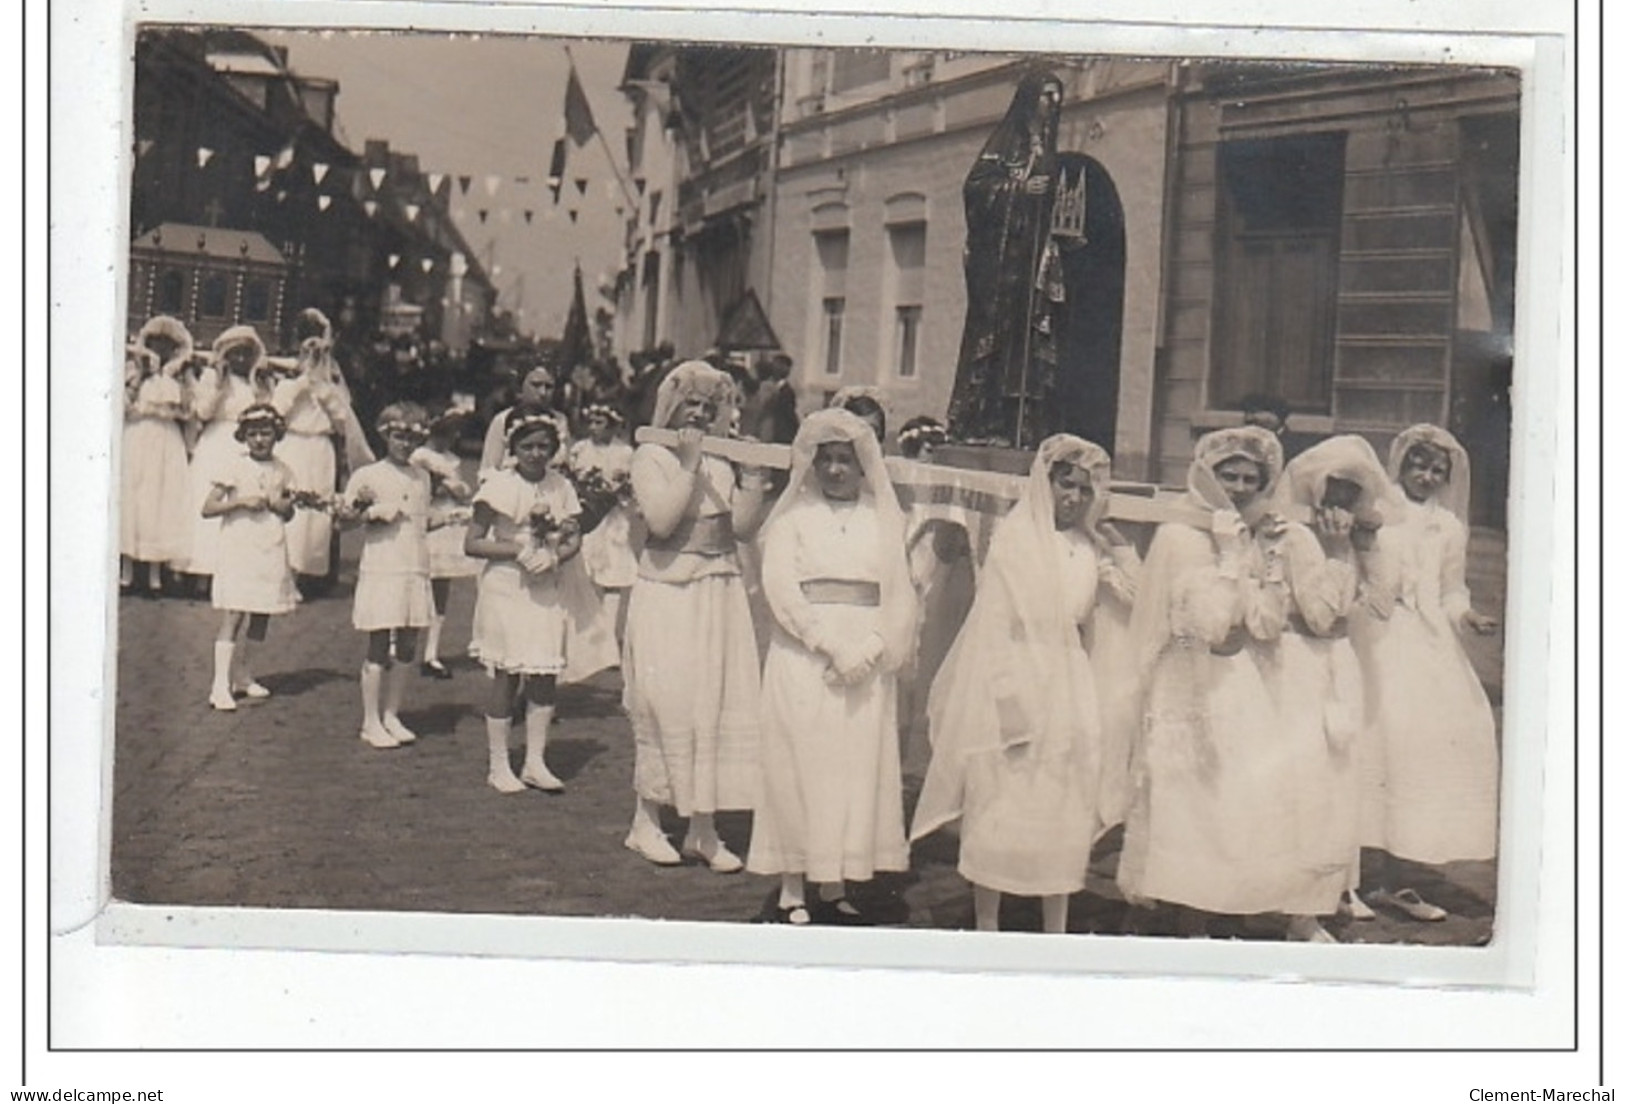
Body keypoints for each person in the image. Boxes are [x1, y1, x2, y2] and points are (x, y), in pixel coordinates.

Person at [1117, 426, 1340, 942]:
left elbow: (1263, 624)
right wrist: (1229, 558)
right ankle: (1186, 914)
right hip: (1187, 680)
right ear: (1205, 473)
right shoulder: (1179, 535)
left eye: (1249, 478)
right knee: (1186, 795)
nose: (1238, 487)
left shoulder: (1260, 535)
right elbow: (1211, 627)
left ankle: (1225, 905)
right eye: (1228, 475)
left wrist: (1260, 563)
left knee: (1233, 798)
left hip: (1240, 682)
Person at [911, 435, 1138, 933]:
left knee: (1062, 797)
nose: (1073, 498)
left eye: (1084, 489)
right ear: (1046, 482)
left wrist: (1115, 545)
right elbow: (995, 625)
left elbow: (1133, 599)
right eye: (1065, 486)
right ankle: (988, 919)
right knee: (1004, 796)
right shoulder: (1017, 539)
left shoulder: (1086, 545)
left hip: (1070, 678)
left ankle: (1054, 919)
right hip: (1017, 670)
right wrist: (1011, 702)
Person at [745, 409, 918, 925]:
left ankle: (836, 880)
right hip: (806, 658)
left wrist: (868, 649)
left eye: (846, 460)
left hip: (864, 661)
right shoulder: (792, 520)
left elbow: (901, 594)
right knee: (802, 767)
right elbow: (780, 587)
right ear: (812, 466)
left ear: (865, 466)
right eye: (827, 461)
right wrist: (827, 644)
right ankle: (793, 885)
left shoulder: (883, 519)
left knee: (851, 769)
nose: (837, 470)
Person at [621, 361, 772, 870]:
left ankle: (702, 830)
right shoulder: (651, 456)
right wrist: (687, 464)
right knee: (667, 703)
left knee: (715, 704)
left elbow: (744, 529)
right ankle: (646, 821)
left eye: (710, 406)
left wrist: (753, 480)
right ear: (672, 406)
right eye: (693, 404)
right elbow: (662, 521)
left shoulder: (721, 461)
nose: (702, 413)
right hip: (669, 594)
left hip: (719, 592)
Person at [1348, 424, 1500, 921]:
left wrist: (1466, 616)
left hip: (1428, 644)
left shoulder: (1449, 528)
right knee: (1367, 745)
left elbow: (1451, 589)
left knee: (1415, 756)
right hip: (1376, 636)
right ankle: (1345, 877)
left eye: (1437, 470)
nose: (1427, 476)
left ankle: (1395, 879)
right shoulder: (1377, 511)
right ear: (1402, 463)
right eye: (1419, 464)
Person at [1256, 434, 1398, 940]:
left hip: (1341, 664)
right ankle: (1298, 910)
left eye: (1349, 495)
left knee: (1339, 781)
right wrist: (1337, 551)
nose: (1339, 505)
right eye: (1332, 492)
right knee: (1305, 784)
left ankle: (1328, 892)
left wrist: (1366, 547)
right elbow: (1318, 615)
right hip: (1300, 663)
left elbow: (1382, 605)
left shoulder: (1352, 539)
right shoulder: (1295, 537)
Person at [945, 70, 1074, 449]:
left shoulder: (1047, 151)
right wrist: (1019, 189)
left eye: (1056, 97)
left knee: (1032, 339)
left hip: (1034, 261)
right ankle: (983, 421)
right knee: (996, 338)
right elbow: (976, 189)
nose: (1052, 104)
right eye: (1046, 96)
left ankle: (1024, 425)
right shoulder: (1005, 145)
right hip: (1002, 266)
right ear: (1029, 99)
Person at [464, 409, 586, 793]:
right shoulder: (498, 486)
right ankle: (499, 764)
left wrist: (555, 556)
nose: (536, 454)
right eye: (528, 446)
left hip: (545, 585)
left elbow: (573, 536)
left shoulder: (560, 487)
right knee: (508, 672)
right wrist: (514, 550)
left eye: (543, 447)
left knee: (544, 672)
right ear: (513, 447)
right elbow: (472, 542)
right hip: (507, 587)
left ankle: (535, 760)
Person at [337, 403, 439, 750]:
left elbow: (421, 521)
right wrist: (372, 513)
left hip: (414, 564)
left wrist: (451, 518)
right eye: (398, 437)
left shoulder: (422, 476)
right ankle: (370, 720)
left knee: (409, 643)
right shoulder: (368, 475)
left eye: (412, 439)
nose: (404, 445)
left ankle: (393, 713)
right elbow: (343, 522)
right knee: (379, 642)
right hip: (382, 566)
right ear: (385, 436)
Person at [200, 404, 300, 711]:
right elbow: (208, 508)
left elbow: (290, 512)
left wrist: (277, 503)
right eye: (253, 434)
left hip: (269, 545)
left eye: (266, 433)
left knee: (262, 611)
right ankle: (219, 686)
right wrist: (241, 502)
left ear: (276, 435)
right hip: (240, 545)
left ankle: (244, 674)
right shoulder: (234, 466)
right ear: (244, 436)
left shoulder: (283, 470)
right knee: (235, 612)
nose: (259, 440)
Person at [273, 308, 375, 586]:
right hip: (292, 445)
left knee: (314, 512)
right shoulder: (287, 379)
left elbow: (343, 420)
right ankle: (280, 567)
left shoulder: (330, 382)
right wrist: (301, 383)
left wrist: (323, 388)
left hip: (319, 450)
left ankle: (301, 571)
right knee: (287, 503)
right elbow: (277, 412)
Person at [185, 326, 275, 584]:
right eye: (235, 354)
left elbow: (267, 411)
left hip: (246, 446)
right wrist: (219, 385)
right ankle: (203, 572)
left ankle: (238, 569)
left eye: (246, 354)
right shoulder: (212, 378)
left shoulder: (258, 382)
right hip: (216, 444)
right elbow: (203, 413)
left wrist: (260, 387)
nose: (240, 360)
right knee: (211, 500)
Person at [120, 322, 194, 596]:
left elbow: (188, 411)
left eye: (167, 346)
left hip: (165, 440)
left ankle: (154, 576)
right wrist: (141, 375)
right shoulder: (133, 372)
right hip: (138, 436)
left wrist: (175, 379)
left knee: (160, 500)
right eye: (155, 344)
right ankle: (126, 572)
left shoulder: (180, 377)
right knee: (133, 498)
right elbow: (123, 406)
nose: (160, 351)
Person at [410, 409, 480, 678]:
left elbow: (463, 492)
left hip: (446, 526)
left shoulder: (451, 459)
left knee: (441, 588)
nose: (449, 438)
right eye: (444, 432)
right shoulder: (419, 456)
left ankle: (432, 653)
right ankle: (395, 643)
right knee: (414, 581)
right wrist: (438, 484)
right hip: (425, 522)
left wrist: (452, 485)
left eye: (453, 432)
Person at [567, 402, 639, 642]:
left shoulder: (625, 452)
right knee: (581, 575)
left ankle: (607, 636)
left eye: (600, 423)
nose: (594, 428)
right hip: (587, 518)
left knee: (613, 577)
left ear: (612, 427)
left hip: (613, 522)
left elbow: (631, 488)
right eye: (591, 422)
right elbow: (572, 481)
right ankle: (581, 634)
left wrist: (617, 491)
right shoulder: (580, 449)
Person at [479, 360, 569, 477]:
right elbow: (488, 469)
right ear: (521, 386)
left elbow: (564, 464)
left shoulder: (560, 420)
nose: (543, 392)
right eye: (536, 385)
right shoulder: (503, 420)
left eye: (549, 387)